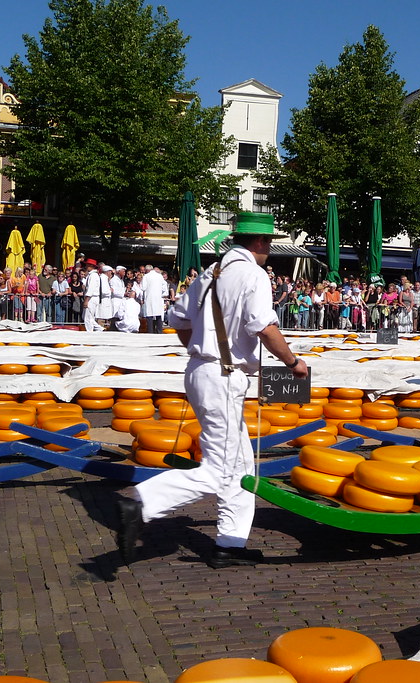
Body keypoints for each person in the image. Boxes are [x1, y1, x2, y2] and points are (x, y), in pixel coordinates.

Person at [116, 212, 309, 568]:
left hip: (203, 371)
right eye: (269, 243)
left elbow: (178, 319)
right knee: (222, 468)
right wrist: (293, 362)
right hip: (223, 376)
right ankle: (143, 502)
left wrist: (202, 350)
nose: (269, 249)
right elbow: (264, 328)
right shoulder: (253, 274)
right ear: (261, 242)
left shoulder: (211, 272)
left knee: (240, 464)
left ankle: (229, 544)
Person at [140, 265, 165, 333]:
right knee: (158, 314)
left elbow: (143, 287)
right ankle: (159, 331)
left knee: (149, 314)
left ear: (147, 270)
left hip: (149, 297)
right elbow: (164, 286)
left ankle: (150, 331)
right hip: (158, 298)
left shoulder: (146, 276)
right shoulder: (159, 276)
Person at [82, 259, 102, 332]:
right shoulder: (93, 275)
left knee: (88, 317)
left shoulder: (93, 276)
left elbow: (91, 289)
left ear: (91, 266)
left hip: (92, 298)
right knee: (89, 317)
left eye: (87, 265)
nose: (86, 266)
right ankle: (99, 329)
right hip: (93, 297)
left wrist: (86, 300)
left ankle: (89, 332)